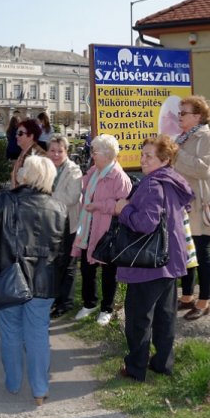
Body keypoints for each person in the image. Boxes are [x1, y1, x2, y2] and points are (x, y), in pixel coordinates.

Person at [0, 155, 70, 405]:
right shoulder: (59, 208)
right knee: (38, 335)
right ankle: (39, 390)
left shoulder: (6, 201)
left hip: (8, 279)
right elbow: (65, 255)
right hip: (44, 283)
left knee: (10, 333)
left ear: (26, 175)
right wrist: (63, 290)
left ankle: (13, 383)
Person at [113, 134, 195, 382]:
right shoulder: (173, 182)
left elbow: (146, 223)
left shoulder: (151, 184)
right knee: (165, 316)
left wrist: (123, 210)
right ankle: (162, 363)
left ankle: (136, 369)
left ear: (165, 159)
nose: (142, 159)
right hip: (171, 260)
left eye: (149, 155)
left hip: (147, 262)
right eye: (142, 154)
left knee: (139, 318)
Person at [173, 95, 210, 321]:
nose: (179, 116)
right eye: (179, 112)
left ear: (197, 116)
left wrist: (177, 153)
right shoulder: (183, 138)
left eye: (183, 113)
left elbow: (203, 169)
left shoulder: (208, 139)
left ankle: (204, 301)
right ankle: (186, 297)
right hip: (185, 204)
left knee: (201, 254)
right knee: (186, 252)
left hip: (202, 206)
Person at [71, 133, 132, 325]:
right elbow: (81, 190)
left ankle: (107, 307)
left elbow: (123, 206)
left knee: (108, 271)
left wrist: (98, 205)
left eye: (94, 151)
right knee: (87, 267)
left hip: (108, 233)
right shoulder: (93, 172)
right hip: (89, 227)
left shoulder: (119, 177)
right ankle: (90, 303)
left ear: (106, 155)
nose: (92, 154)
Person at [47, 133, 82, 318]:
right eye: (52, 150)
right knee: (52, 262)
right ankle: (54, 297)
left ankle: (65, 303)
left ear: (66, 152)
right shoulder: (45, 167)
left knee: (68, 264)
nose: (55, 154)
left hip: (68, 222)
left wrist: (46, 196)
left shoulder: (74, 170)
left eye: (60, 151)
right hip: (49, 222)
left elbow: (72, 197)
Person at [10, 118, 46, 189]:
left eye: (20, 133)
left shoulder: (38, 156)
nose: (16, 136)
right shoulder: (23, 152)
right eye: (17, 133)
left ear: (31, 136)